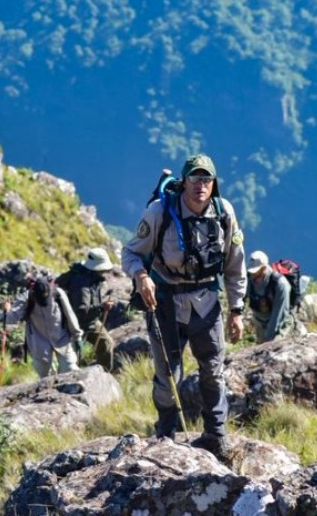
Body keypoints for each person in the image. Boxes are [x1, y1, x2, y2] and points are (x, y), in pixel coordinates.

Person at [121, 153, 246, 458]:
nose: (200, 185)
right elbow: (130, 253)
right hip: (166, 303)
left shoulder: (223, 213)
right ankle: (166, 435)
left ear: (213, 184)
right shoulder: (159, 212)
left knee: (213, 370)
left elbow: (234, 264)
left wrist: (237, 310)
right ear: (184, 181)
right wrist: (141, 277)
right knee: (168, 374)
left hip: (207, 304)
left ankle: (216, 435)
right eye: (194, 178)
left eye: (206, 179)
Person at [2, 275, 83, 378]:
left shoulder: (58, 293)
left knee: (70, 367)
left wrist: (77, 335)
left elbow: (69, 314)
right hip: (39, 339)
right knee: (45, 375)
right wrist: (7, 311)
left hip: (61, 337)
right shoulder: (27, 297)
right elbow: (12, 320)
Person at [60, 247, 116, 372]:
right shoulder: (81, 284)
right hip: (76, 325)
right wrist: (102, 307)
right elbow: (81, 310)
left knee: (106, 344)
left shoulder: (92, 277)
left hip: (91, 321)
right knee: (75, 358)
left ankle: (104, 377)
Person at [245, 250, 296, 343]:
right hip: (260, 321)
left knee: (273, 349)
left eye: (256, 271)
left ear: (264, 267)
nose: (253, 274)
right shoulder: (250, 278)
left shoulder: (280, 284)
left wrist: (268, 338)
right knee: (259, 348)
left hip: (279, 324)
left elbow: (279, 314)